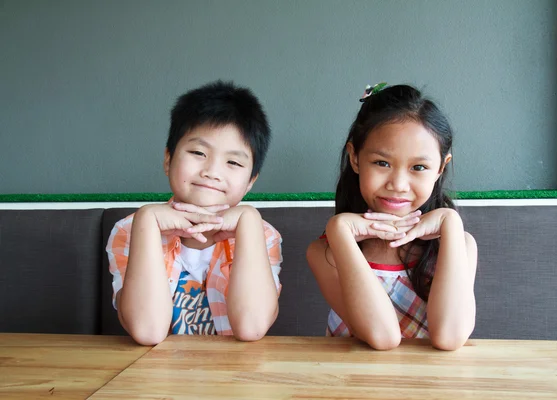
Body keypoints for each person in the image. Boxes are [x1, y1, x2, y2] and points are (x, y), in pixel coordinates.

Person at [107, 81, 282, 345]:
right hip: (156, 380)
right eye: (198, 152)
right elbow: (147, 332)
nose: (212, 171)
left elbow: (251, 328)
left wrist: (249, 221)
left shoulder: (263, 235)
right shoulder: (130, 230)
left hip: (233, 378)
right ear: (168, 159)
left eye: (233, 162)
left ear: (250, 182)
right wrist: (147, 221)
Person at [307, 83, 477, 350]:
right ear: (355, 158)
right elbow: (382, 337)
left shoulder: (459, 245)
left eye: (419, 167)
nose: (398, 184)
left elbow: (450, 337)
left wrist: (451, 223)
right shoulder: (325, 251)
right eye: (382, 163)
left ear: (440, 169)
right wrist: (339, 230)